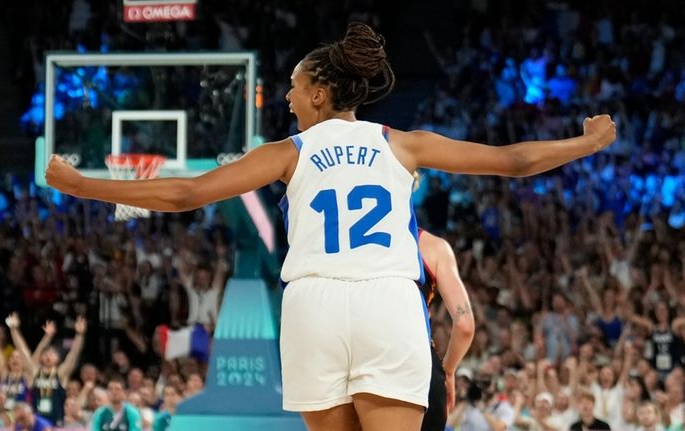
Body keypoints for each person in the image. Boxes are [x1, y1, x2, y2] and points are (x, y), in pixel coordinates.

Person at [46, 22, 616, 431]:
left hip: (313, 305)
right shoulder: (402, 143)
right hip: (388, 303)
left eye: (295, 87)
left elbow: (185, 193)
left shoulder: (288, 151)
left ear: (319, 94)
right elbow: (513, 161)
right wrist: (586, 143)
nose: (289, 97)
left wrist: (85, 186)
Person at [416, 228, 475, 431]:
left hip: (362, 358)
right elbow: (465, 325)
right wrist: (448, 371)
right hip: (421, 365)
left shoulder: (347, 244)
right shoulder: (434, 247)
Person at [8, 313, 87, 426]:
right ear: (41, 358)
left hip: (56, 422)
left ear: (58, 358)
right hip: (36, 423)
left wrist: (79, 335)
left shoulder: (61, 374)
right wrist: (14, 329)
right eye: (46, 354)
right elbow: (22, 350)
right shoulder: (35, 372)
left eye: (52, 354)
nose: (48, 356)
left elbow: (73, 354)